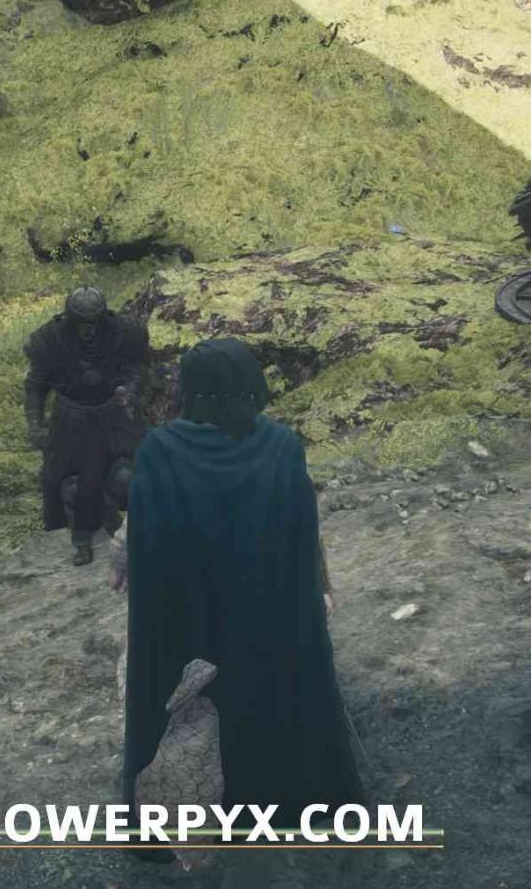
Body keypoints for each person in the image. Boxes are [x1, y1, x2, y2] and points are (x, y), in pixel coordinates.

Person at [118, 338, 363, 836]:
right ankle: (291, 803)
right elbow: (301, 533)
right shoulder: (281, 444)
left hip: (191, 617)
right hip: (270, 609)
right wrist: (315, 589)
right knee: (273, 696)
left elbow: (149, 544)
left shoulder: (160, 451)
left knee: (201, 705)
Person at [23, 287, 149, 566]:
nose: (88, 332)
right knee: (71, 484)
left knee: (126, 475)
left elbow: (136, 367)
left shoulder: (122, 333)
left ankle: (124, 527)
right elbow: (36, 385)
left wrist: (129, 389)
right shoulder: (50, 339)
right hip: (70, 418)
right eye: (82, 325)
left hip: (111, 414)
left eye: (93, 324)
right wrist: (34, 423)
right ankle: (82, 540)